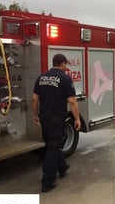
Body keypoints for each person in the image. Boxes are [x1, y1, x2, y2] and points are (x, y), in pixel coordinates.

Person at [32, 53, 81, 192]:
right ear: (63, 64)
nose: (66, 68)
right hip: (57, 118)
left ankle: (62, 167)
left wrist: (35, 115)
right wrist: (77, 119)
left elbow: (35, 99)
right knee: (53, 148)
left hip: (44, 117)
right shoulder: (65, 79)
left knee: (51, 144)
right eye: (66, 65)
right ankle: (47, 182)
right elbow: (71, 101)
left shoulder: (41, 78)